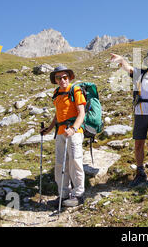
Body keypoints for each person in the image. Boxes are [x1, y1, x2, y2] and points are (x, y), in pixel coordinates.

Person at [110, 50, 148, 186]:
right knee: (138, 143)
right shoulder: (140, 74)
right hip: (140, 114)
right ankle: (140, 172)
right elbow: (128, 67)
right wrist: (121, 59)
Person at [40, 65, 86, 207]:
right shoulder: (56, 93)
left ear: (69, 77)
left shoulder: (75, 90)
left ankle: (78, 195)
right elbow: (58, 114)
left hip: (74, 133)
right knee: (60, 164)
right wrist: (49, 129)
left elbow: (81, 113)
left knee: (75, 162)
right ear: (55, 80)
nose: (62, 80)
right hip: (60, 133)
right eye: (58, 78)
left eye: (64, 77)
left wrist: (73, 128)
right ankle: (63, 195)